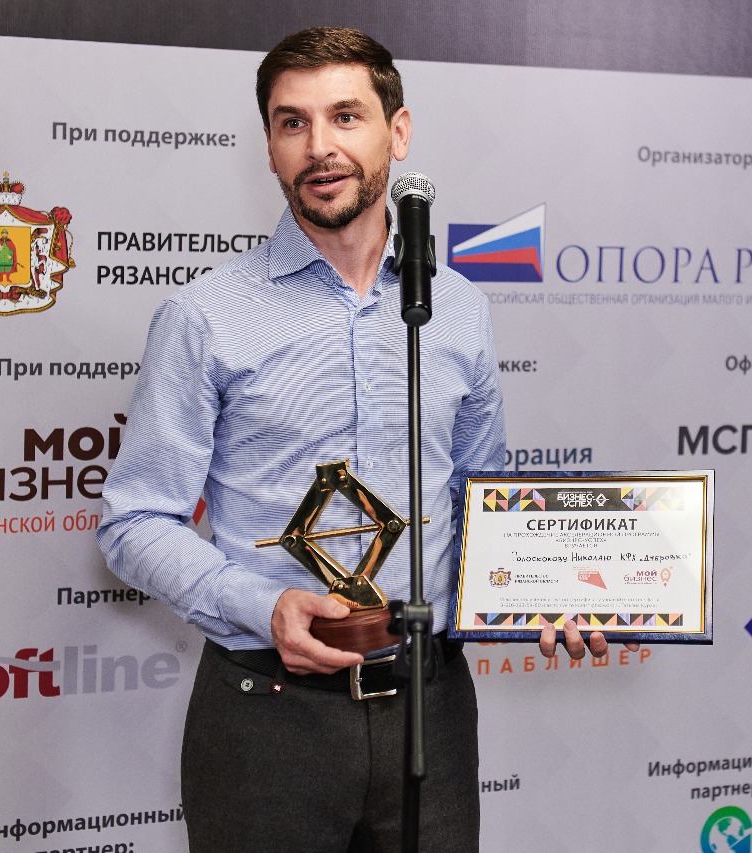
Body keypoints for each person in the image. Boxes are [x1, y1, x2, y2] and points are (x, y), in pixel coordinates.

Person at [98, 26, 609, 853]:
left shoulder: (460, 308)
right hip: (265, 718)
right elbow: (135, 520)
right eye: (292, 123)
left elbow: (483, 501)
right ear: (269, 147)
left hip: (431, 712)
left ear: (397, 133)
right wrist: (262, 606)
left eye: (345, 116)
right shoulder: (205, 316)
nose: (319, 147)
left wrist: (552, 588)